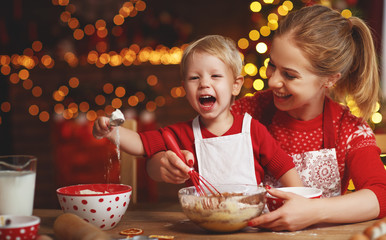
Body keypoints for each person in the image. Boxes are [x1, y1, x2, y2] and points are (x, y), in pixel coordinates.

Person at [147, 5, 386, 231]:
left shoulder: (348, 129)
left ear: (329, 79)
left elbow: (381, 194)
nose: (272, 81)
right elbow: (177, 145)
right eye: (272, 65)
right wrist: (162, 165)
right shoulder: (246, 112)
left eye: (290, 75)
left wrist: (314, 211)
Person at [93, 35, 303, 188]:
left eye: (215, 76)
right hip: (204, 224)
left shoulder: (252, 130)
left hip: (250, 223)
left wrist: (300, 201)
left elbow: (284, 168)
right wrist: (111, 131)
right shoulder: (182, 134)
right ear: (185, 88)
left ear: (235, 86)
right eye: (195, 78)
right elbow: (141, 144)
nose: (204, 84)